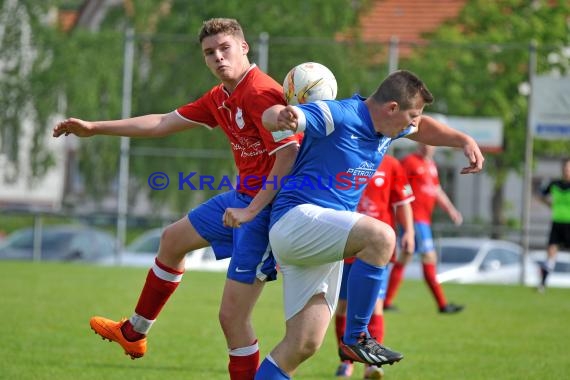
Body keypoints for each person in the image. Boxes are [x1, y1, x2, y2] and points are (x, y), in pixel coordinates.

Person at [52, 18, 300, 380]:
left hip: (267, 208)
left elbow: (288, 157)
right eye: (209, 52)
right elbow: (163, 122)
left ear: (244, 48)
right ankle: (134, 333)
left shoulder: (261, 93)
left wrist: (250, 210)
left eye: (224, 48)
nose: (217, 57)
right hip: (243, 197)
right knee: (172, 240)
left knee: (232, 318)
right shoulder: (221, 97)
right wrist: (95, 128)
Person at [228, 69, 484, 379]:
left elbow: (423, 127)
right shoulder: (340, 113)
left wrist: (463, 140)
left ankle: (350, 341)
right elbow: (282, 115)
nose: (412, 123)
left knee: (303, 344)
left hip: (319, 239)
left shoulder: (389, 127)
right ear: (392, 108)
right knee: (381, 236)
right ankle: (357, 337)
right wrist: (283, 116)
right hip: (296, 220)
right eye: (411, 115)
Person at [334, 154, 415, 379]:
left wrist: (409, 231)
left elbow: (403, 202)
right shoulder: (346, 156)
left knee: (375, 307)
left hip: (378, 249)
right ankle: (346, 361)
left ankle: (371, 365)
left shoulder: (391, 164)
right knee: (342, 307)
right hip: (345, 242)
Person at [384, 143, 464, 314]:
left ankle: (386, 301)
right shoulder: (410, 162)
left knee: (404, 258)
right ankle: (442, 304)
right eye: (425, 144)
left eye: (431, 145)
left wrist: (451, 210)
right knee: (429, 257)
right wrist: (406, 198)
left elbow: (436, 190)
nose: (428, 147)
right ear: (419, 144)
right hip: (414, 219)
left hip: (424, 220)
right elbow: (400, 182)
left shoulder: (431, 166)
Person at [537, 157, 570, 292]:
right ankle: (543, 284)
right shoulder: (555, 184)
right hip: (557, 223)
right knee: (550, 253)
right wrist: (550, 205)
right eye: (566, 168)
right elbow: (541, 194)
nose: (567, 170)